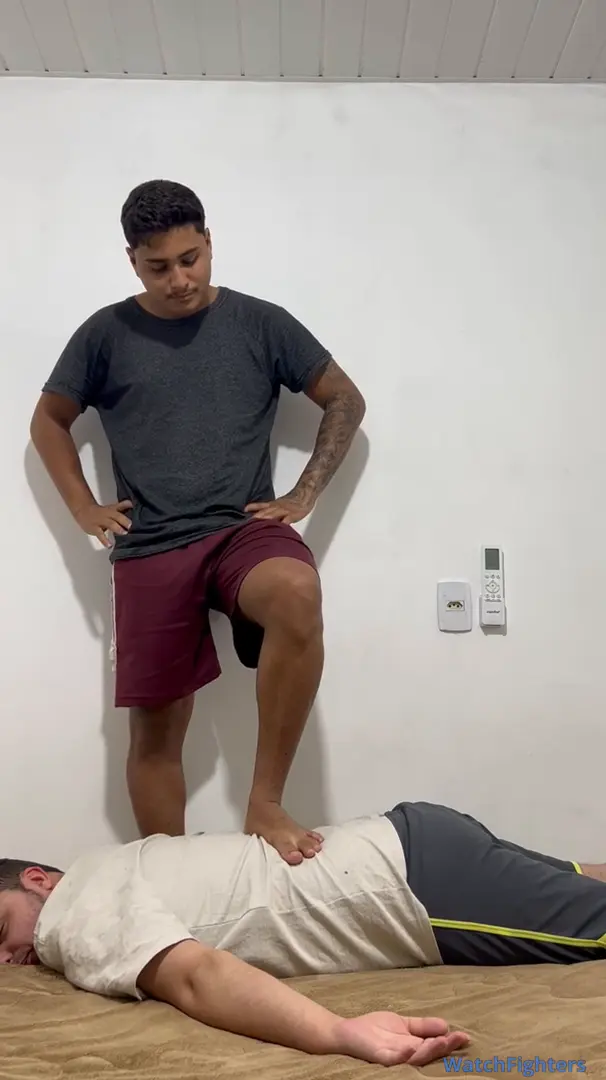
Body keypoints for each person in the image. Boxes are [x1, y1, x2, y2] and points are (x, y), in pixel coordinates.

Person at [30, 179, 366, 865]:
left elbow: (345, 399)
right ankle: (168, 872)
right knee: (155, 731)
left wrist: (303, 493)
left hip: (240, 529)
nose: (179, 280)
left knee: (296, 589)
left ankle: (265, 804)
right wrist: (84, 508)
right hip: (151, 543)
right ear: (132, 260)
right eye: (159, 267)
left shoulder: (261, 323)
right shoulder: (104, 333)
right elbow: (49, 421)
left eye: (191, 259)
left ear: (209, 242)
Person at [3, 800, 606, 1068]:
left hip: (411, 887)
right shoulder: (112, 861)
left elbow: (193, 974)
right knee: (585, 877)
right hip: (408, 832)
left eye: (1, 929)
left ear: (37, 880)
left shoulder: (68, 916)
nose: (8, 959)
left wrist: (337, 1033)